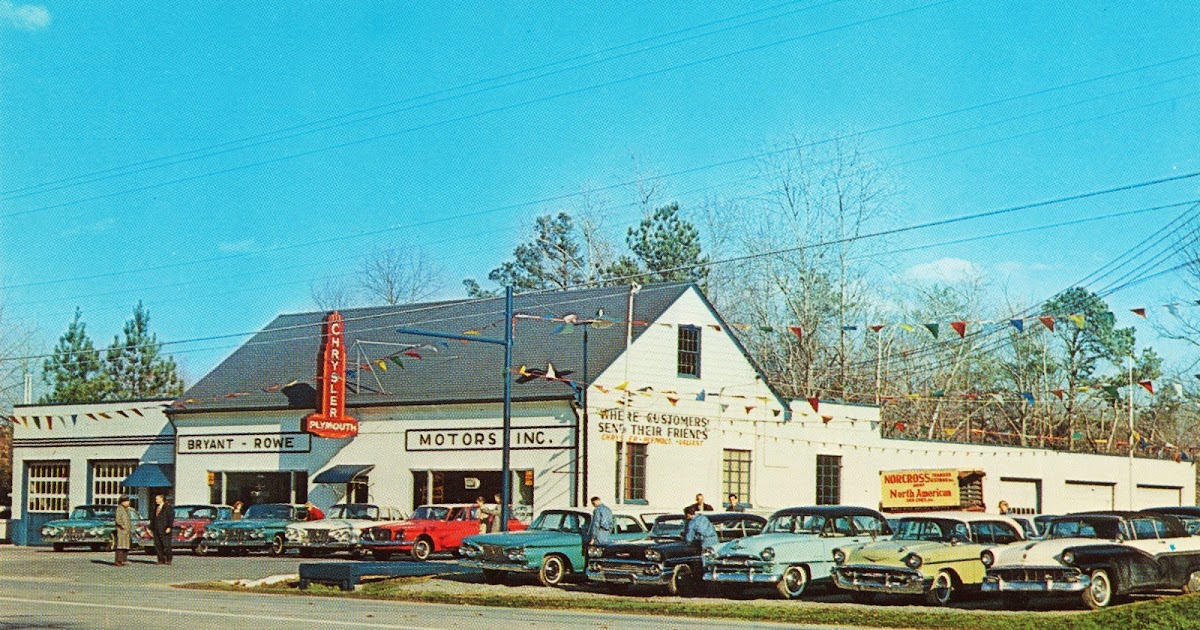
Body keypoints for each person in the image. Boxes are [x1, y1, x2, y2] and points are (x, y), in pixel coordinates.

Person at [150, 493, 174, 565]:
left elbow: (170, 518)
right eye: (156, 499)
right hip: (156, 529)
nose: (156, 500)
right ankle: (160, 559)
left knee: (166, 544)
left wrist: (169, 527)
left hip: (164, 529)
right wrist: (151, 528)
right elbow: (153, 518)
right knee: (158, 545)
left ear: (161, 499)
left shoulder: (168, 507)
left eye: (157, 499)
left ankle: (168, 559)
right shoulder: (156, 508)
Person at [113, 495, 133, 567]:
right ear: (122, 502)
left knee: (125, 546)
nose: (128, 503)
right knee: (120, 546)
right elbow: (118, 520)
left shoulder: (126, 509)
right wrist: (123, 526)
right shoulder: (119, 509)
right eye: (127, 501)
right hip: (121, 531)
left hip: (126, 531)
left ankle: (124, 560)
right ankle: (118, 561)